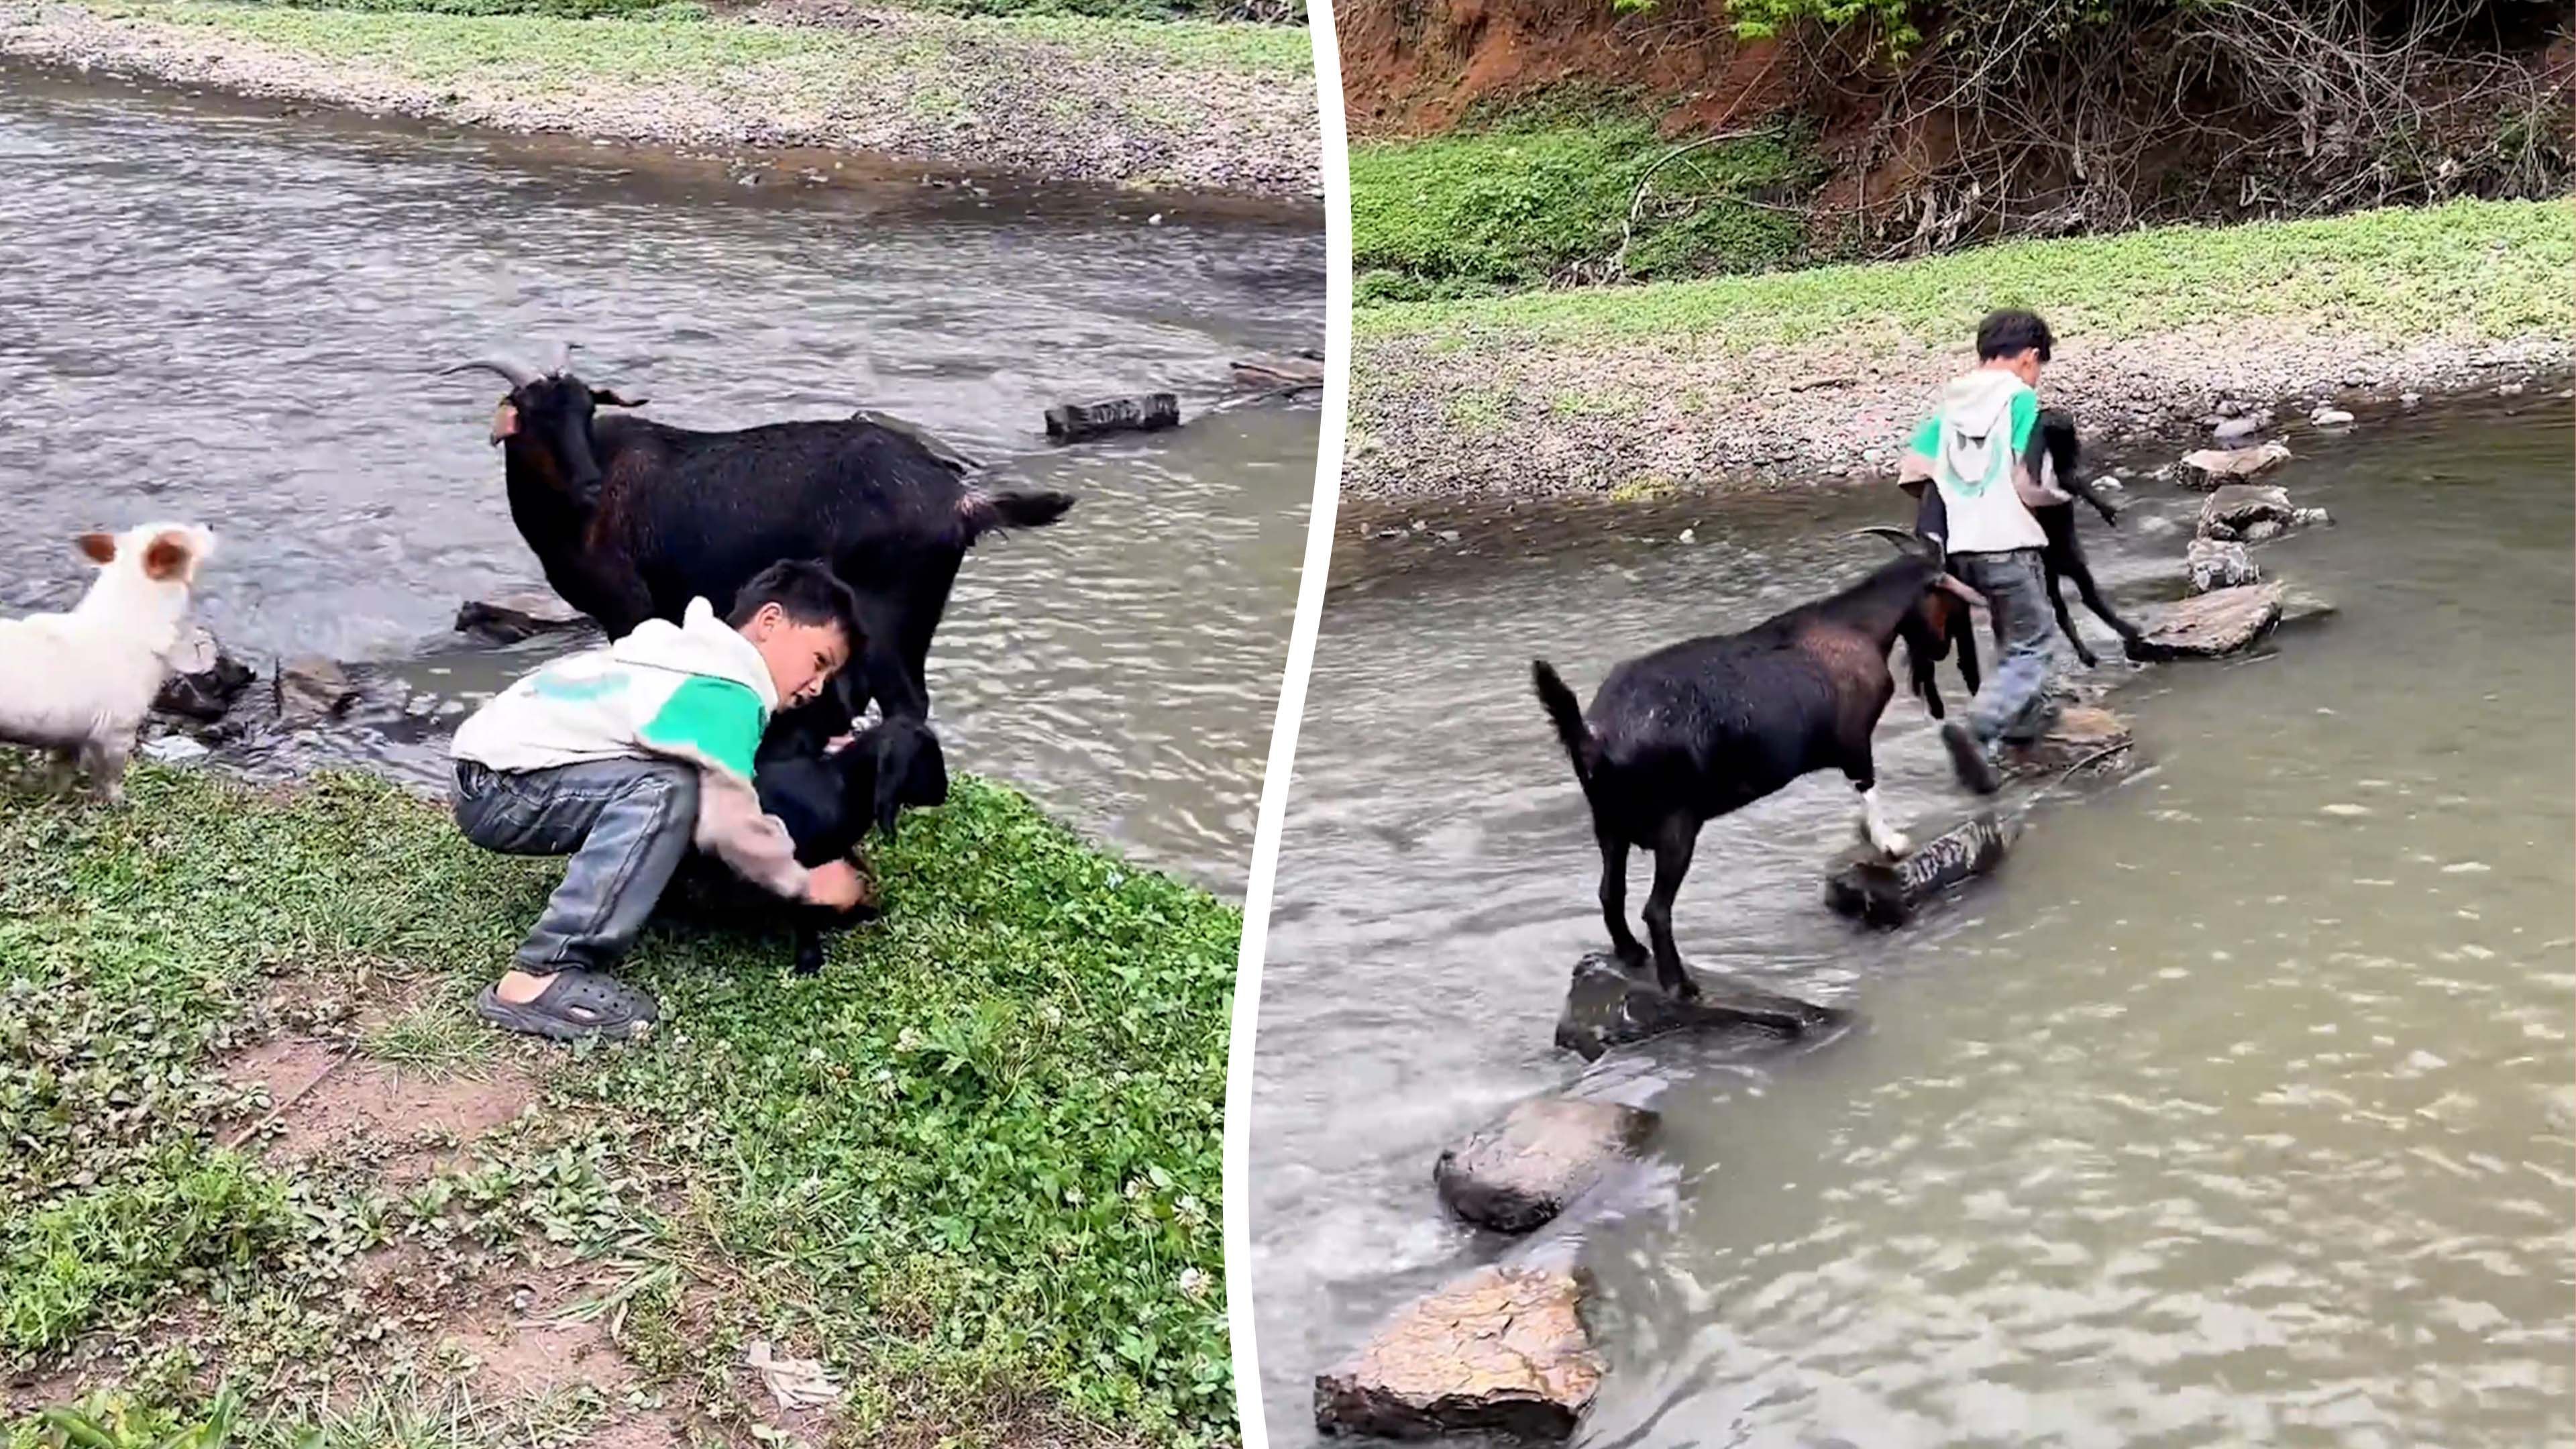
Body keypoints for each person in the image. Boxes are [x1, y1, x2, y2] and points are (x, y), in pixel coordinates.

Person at [449, 559, 871, 1040]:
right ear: (770, 622)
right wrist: (805, 884)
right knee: (671, 788)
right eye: (819, 662)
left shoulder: (692, 651)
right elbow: (730, 822)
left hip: (490, 775)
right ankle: (540, 975)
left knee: (684, 782)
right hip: (501, 790)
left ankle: (645, 897)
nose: (817, 687)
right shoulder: (729, 690)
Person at [1898, 307, 2059, 796]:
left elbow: (1912, 473)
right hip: (2008, 542)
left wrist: (1956, 505)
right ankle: (1981, 726)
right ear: (2030, 358)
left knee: (2012, 637)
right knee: (2034, 641)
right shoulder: (2021, 400)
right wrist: (2062, 499)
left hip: (1961, 553)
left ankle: (2023, 725)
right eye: (2039, 366)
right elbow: (2028, 485)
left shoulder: (1951, 404)